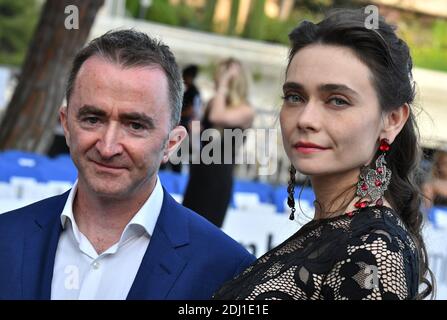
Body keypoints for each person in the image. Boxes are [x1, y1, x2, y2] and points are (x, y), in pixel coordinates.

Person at [0, 30, 255, 300]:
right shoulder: (7, 238)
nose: (108, 147)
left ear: (172, 142)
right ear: (65, 124)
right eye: (92, 119)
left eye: (135, 125)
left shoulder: (227, 270)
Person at [213, 8, 433, 300]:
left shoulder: (373, 250)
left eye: (337, 101)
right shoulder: (338, 229)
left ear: (392, 120)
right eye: (295, 97)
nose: (306, 119)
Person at [182, 58, 254, 227]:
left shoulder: (246, 110)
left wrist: (223, 84)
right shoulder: (213, 103)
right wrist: (194, 133)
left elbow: (217, 117)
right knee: (185, 226)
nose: (216, 79)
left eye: (221, 77)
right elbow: (196, 144)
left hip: (218, 179)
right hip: (199, 174)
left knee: (207, 232)